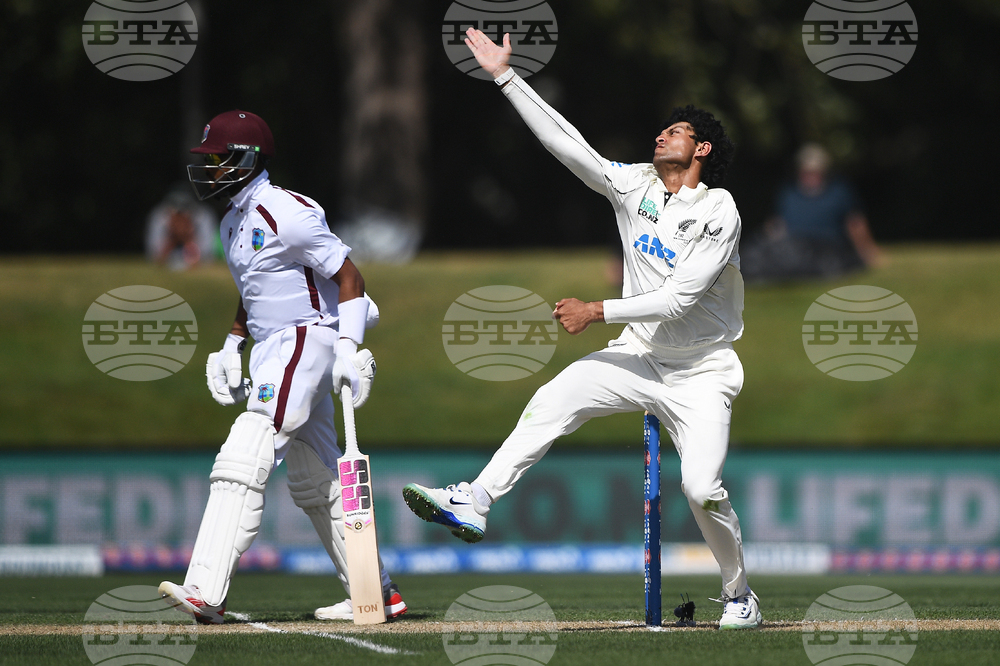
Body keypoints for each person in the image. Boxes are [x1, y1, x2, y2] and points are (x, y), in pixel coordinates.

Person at [402, 30, 761, 630]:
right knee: (554, 398)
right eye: (662, 129)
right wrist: (505, 77)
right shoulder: (637, 186)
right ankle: (475, 500)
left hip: (703, 373)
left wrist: (596, 310)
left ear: (700, 149)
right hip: (639, 356)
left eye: (675, 131)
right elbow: (570, 147)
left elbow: (680, 299)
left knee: (702, 489)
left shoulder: (718, 210)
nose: (660, 135)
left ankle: (740, 595)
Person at [158, 109, 406, 624]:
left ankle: (205, 590)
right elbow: (255, 289)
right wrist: (232, 343)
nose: (209, 169)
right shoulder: (232, 220)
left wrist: (348, 348)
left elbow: (350, 278)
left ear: (246, 159)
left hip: (305, 339)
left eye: (218, 158)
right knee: (317, 478)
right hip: (273, 345)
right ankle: (376, 592)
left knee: (246, 450)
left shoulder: (286, 211)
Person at [741, 143, 883, 282]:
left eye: (815, 171)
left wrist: (868, 252)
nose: (810, 176)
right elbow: (777, 223)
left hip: (826, 248)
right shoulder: (789, 193)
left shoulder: (839, 192)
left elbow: (855, 223)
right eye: (806, 171)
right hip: (793, 246)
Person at [145, 185, 218, 270]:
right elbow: (155, 256)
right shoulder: (160, 216)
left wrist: (187, 237)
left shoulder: (203, 215)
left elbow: (207, 256)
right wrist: (173, 237)